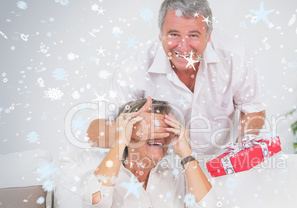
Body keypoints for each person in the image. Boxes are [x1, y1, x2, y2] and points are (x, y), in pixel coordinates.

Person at [86, 0, 266, 155]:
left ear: (209, 35)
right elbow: (94, 132)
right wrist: (130, 130)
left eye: (193, 35)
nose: (183, 47)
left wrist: (243, 147)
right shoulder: (135, 67)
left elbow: (253, 109)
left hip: (217, 165)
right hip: (158, 170)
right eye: (173, 34)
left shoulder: (236, 57)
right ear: (161, 34)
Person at [78, 98, 221, 208]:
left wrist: (186, 152)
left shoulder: (178, 179)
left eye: (165, 128)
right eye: (151, 127)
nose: (159, 135)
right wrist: (120, 140)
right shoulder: (99, 175)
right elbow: (97, 199)